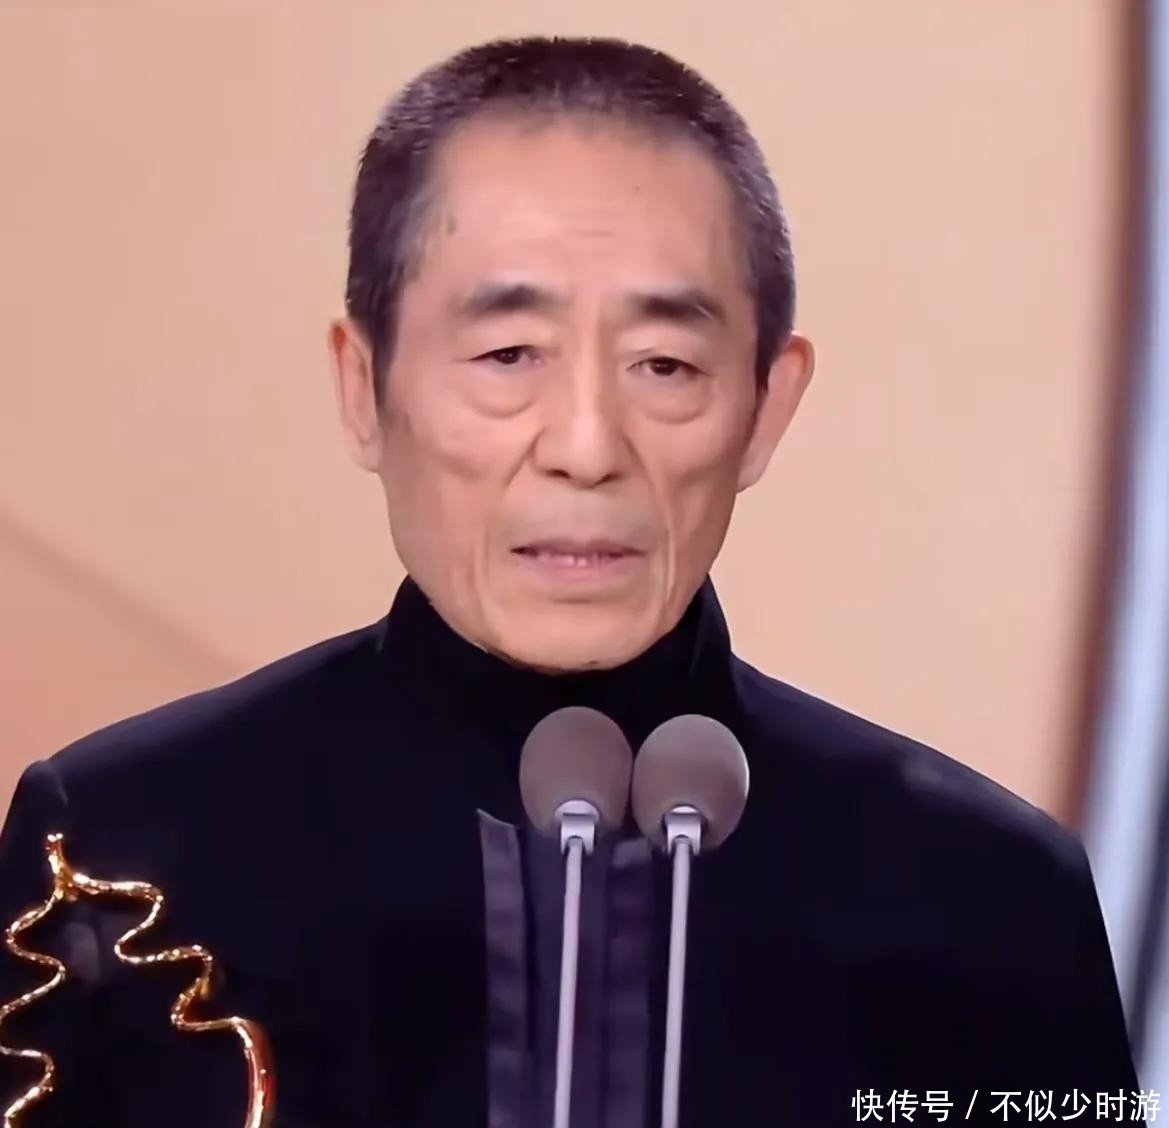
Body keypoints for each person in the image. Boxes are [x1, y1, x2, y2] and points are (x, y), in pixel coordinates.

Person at [0, 35, 1139, 1128]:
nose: (586, 446)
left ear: (765, 409)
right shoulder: (116, 856)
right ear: (363, 388)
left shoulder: (987, 898)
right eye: (508, 356)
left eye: (665, 365)